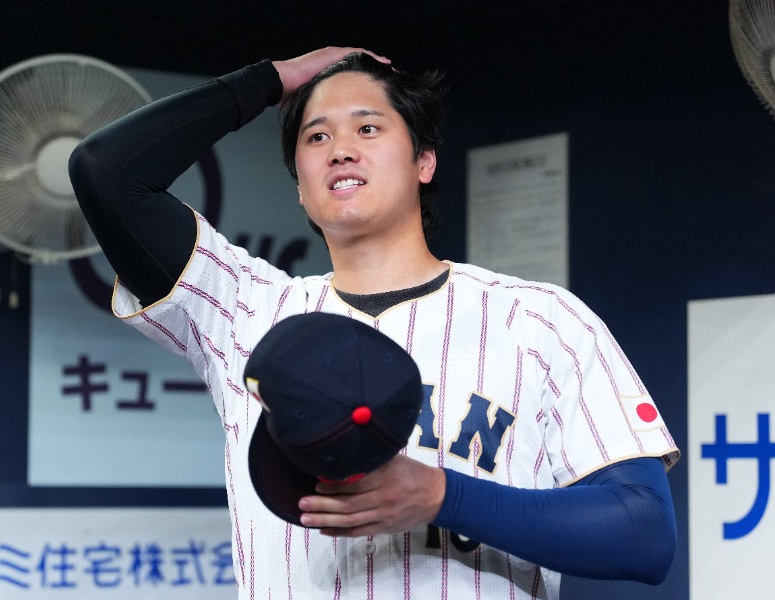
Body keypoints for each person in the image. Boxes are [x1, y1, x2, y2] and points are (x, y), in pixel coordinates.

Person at [69, 46, 680, 599]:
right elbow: (107, 173)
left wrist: (443, 496)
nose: (341, 148)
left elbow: (645, 535)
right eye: (316, 137)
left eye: (368, 126)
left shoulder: (540, 320)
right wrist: (273, 79)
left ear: (425, 161)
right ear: (302, 192)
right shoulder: (247, 309)